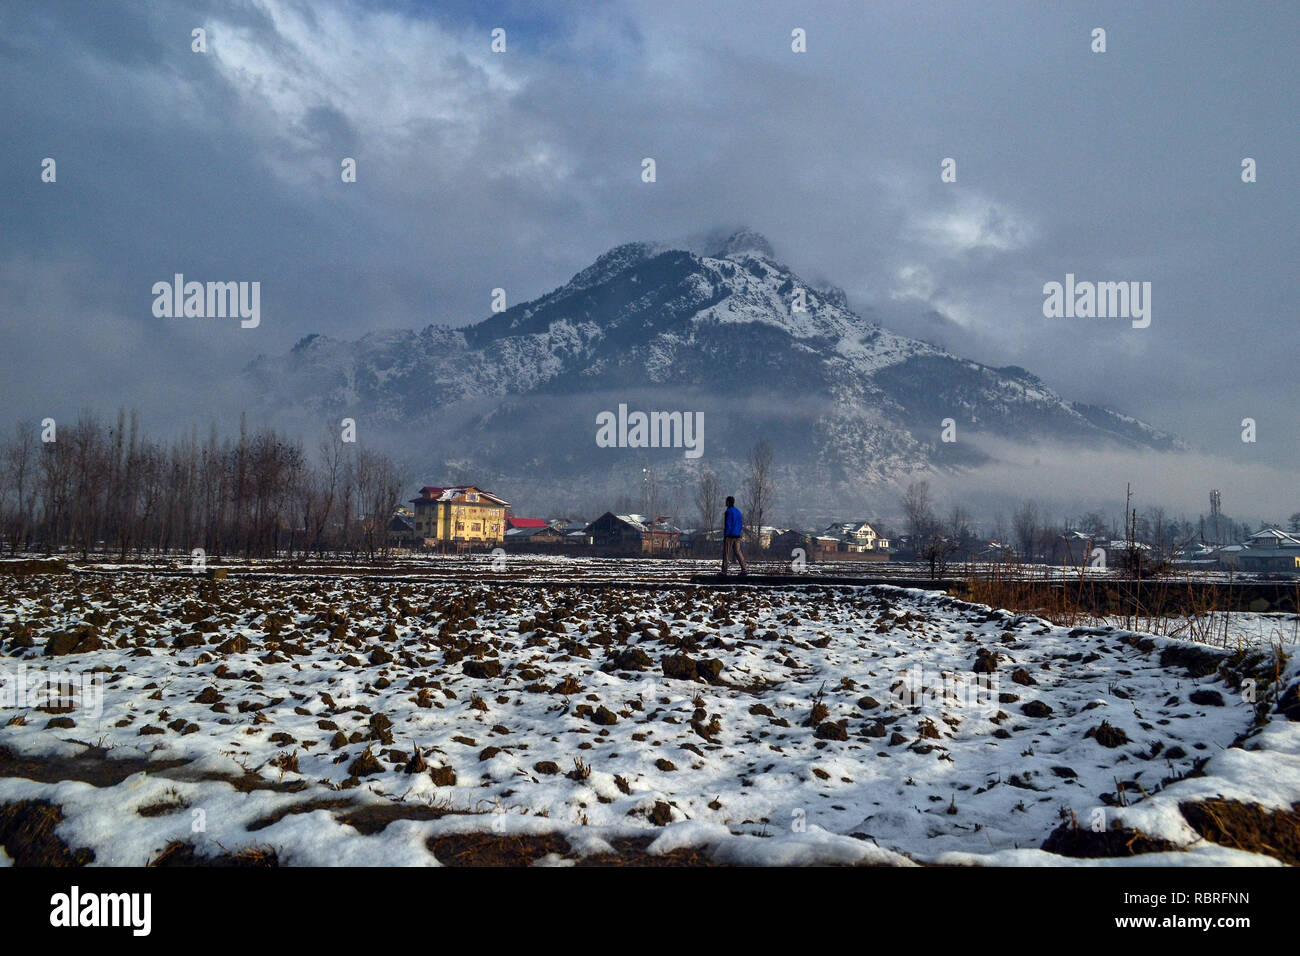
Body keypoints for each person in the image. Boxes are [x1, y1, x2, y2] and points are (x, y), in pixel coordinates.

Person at [721, 496, 748, 576]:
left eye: (726, 501)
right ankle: (744, 569)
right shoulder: (738, 512)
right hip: (737, 535)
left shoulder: (728, 512)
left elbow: (728, 524)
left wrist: (726, 535)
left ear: (728, 502)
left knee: (726, 553)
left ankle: (724, 571)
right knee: (738, 552)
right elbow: (740, 524)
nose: (725, 503)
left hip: (729, 535)